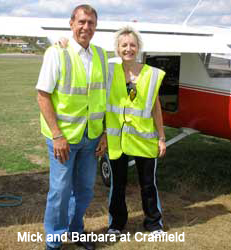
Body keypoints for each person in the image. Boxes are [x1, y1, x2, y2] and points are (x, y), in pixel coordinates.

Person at [36, 4, 108, 250]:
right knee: (59, 192)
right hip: (63, 138)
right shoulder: (57, 53)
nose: (86, 27)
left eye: (91, 23)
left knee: (86, 189)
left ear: (96, 27)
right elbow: (42, 95)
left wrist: (105, 133)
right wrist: (57, 135)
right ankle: (54, 240)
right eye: (81, 22)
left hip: (91, 137)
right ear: (71, 23)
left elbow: (103, 98)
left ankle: (76, 230)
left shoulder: (101, 55)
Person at [105, 26, 166, 237]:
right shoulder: (108, 72)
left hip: (144, 139)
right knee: (117, 185)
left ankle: (153, 223)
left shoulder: (151, 74)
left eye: (132, 45)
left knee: (148, 184)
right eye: (124, 45)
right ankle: (116, 224)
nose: (128, 49)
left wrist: (161, 137)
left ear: (138, 47)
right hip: (117, 140)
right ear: (117, 48)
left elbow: (156, 107)